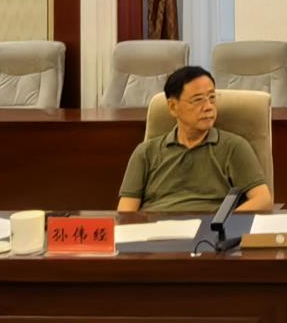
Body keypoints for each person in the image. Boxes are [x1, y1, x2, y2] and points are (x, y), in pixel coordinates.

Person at [117, 65, 273, 213]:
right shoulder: (146, 152)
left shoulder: (234, 147)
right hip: (155, 227)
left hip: (208, 228)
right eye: (198, 100)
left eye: (212, 98)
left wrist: (224, 224)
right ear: (173, 107)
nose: (208, 107)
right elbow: (126, 211)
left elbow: (263, 199)